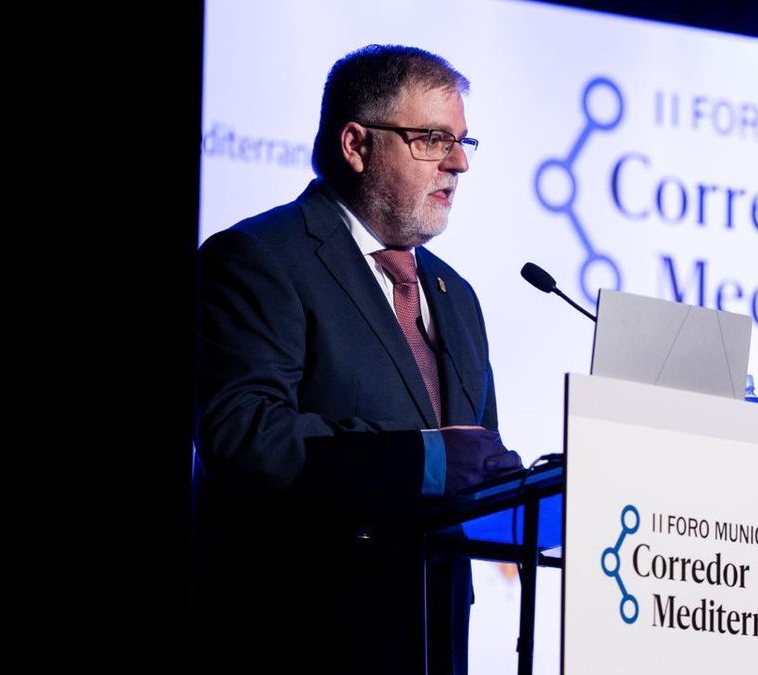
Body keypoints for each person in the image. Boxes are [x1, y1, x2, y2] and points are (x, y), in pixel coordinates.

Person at [192, 44, 520, 675]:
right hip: (303, 639)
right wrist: (423, 460)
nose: (458, 163)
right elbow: (244, 437)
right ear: (356, 144)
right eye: (433, 139)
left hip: (432, 645)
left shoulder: (458, 298)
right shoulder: (257, 260)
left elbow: (471, 461)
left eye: (462, 142)